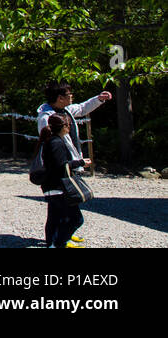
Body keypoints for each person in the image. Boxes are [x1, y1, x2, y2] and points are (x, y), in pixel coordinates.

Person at [36, 82, 107, 244]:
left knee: (58, 207)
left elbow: (82, 108)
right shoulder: (47, 118)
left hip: (68, 164)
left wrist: (99, 99)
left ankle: (59, 237)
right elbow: (51, 148)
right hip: (61, 167)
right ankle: (60, 239)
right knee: (63, 207)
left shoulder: (65, 110)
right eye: (69, 95)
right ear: (60, 98)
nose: (72, 97)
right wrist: (76, 163)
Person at [38, 112, 86, 248]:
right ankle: (59, 243)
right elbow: (61, 166)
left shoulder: (50, 140)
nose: (70, 127)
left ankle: (52, 244)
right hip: (59, 187)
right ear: (63, 126)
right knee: (76, 219)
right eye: (68, 125)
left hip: (50, 186)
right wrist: (80, 163)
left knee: (54, 218)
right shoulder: (56, 142)